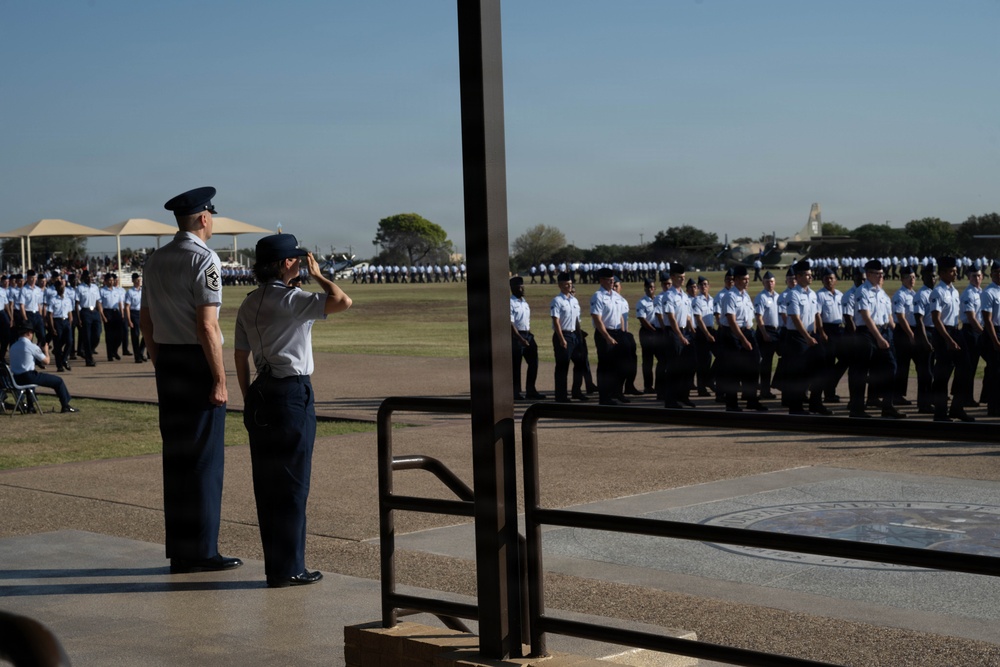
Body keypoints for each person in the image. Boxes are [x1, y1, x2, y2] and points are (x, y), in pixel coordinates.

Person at [234, 234, 352, 588]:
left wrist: (249, 397)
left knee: (267, 484)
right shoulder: (292, 300)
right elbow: (342, 301)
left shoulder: (250, 302)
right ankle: (290, 567)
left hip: (261, 389)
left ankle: (277, 565)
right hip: (290, 392)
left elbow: (240, 356)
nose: (301, 263)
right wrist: (319, 275)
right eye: (298, 259)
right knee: (293, 483)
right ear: (286, 263)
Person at [140, 186, 242, 574]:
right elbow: (207, 325)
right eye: (211, 216)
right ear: (203, 218)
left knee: (178, 459)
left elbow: (146, 320)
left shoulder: (156, 259)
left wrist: (159, 362)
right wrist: (219, 378)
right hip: (197, 362)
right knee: (204, 460)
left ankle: (182, 550)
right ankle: (202, 551)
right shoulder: (205, 258)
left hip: (168, 359)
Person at [929, 256, 972, 422]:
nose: (955, 274)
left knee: (966, 368)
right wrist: (948, 339)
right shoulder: (937, 292)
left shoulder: (954, 290)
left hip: (955, 330)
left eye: (955, 270)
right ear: (942, 273)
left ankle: (957, 407)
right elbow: (936, 319)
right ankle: (940, 413)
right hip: (943, 334)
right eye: (952, 271)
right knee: (943, 374)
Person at [719, 266, 766, 412]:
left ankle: (752, 400)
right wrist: (743, 339)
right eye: (744, 279)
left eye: (748, 279)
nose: (747, 281)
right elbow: (731, 321)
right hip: (733, 334)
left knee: (753, 366)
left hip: (748, 332)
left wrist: (748, 336)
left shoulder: (745, 295)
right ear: (736, 280)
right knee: (733, 370)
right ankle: (731, 404)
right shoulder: (730, 296)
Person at [9, 326, 78, 413]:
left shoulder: (13, 346)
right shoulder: (31, 346)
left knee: (31, 382)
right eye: (32, 333)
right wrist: (46, 351)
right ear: (28, 333)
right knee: (58, 381)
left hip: (16, 378)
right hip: (29, 376)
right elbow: (46, 361)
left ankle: (31, 407)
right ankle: (65, 405)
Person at [590, 267, 630, 405]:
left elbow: (620, 316)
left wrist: (622, 334)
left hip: (618, 332)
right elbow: (597, 318)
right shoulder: (598, 296)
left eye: (613, 280)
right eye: (609, 280)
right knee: (605, 367)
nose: (612, 282)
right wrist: (607, 337)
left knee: (617, 366)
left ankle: (615, 393)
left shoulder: (616, 296)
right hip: (604, 333)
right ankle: (604, 397)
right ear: (601, 280)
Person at [550, 272, 584, 402]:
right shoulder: (557, 301)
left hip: (574, 335)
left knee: (580, 364)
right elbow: (556, 321)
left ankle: (576, 391)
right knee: (562, 367)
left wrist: (579, 337)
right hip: (563, 335)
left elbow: (577, 320)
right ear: (560, 285)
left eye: (570, 283)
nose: (569, 286)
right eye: (566, 284)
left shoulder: (574, 300)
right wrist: (561, 339)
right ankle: (561, 396)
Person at [510, 276, 544, 401]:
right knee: (516, 365)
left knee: (533, 362)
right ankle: (515, 392)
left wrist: (528, 336)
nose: (522, 288)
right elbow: (510, 323)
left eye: (523, 286)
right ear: (513, 288)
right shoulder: (510, 303)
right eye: (520, 286)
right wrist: (519, 338)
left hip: (528, 335)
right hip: (516, 337)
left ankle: (531, 390)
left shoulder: (524, 302)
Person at [45, 278, 74, 372]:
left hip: (66, 322)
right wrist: (52, 327)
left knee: (69, 341)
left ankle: (64, 359)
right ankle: (59, 366)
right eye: (60, 287)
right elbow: (50, 314)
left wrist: (70, 322)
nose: (62, 288)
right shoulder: (53, 300)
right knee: (57, 344)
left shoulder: (68, 299)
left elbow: (70, 312)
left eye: (63, 286)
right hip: (57, 321)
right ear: (57, 289)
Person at [124, 273, 146, 363]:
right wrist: (129, 320)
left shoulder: (143, 291)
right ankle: (137, 356)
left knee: (146, 333)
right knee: (135, 335)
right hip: (134, 313)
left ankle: (140, 351)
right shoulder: (130, 292)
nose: (139, 282)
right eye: (137, 280)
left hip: (142, 312)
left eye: (140, 280)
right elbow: (127, 307)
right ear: (133, 281)